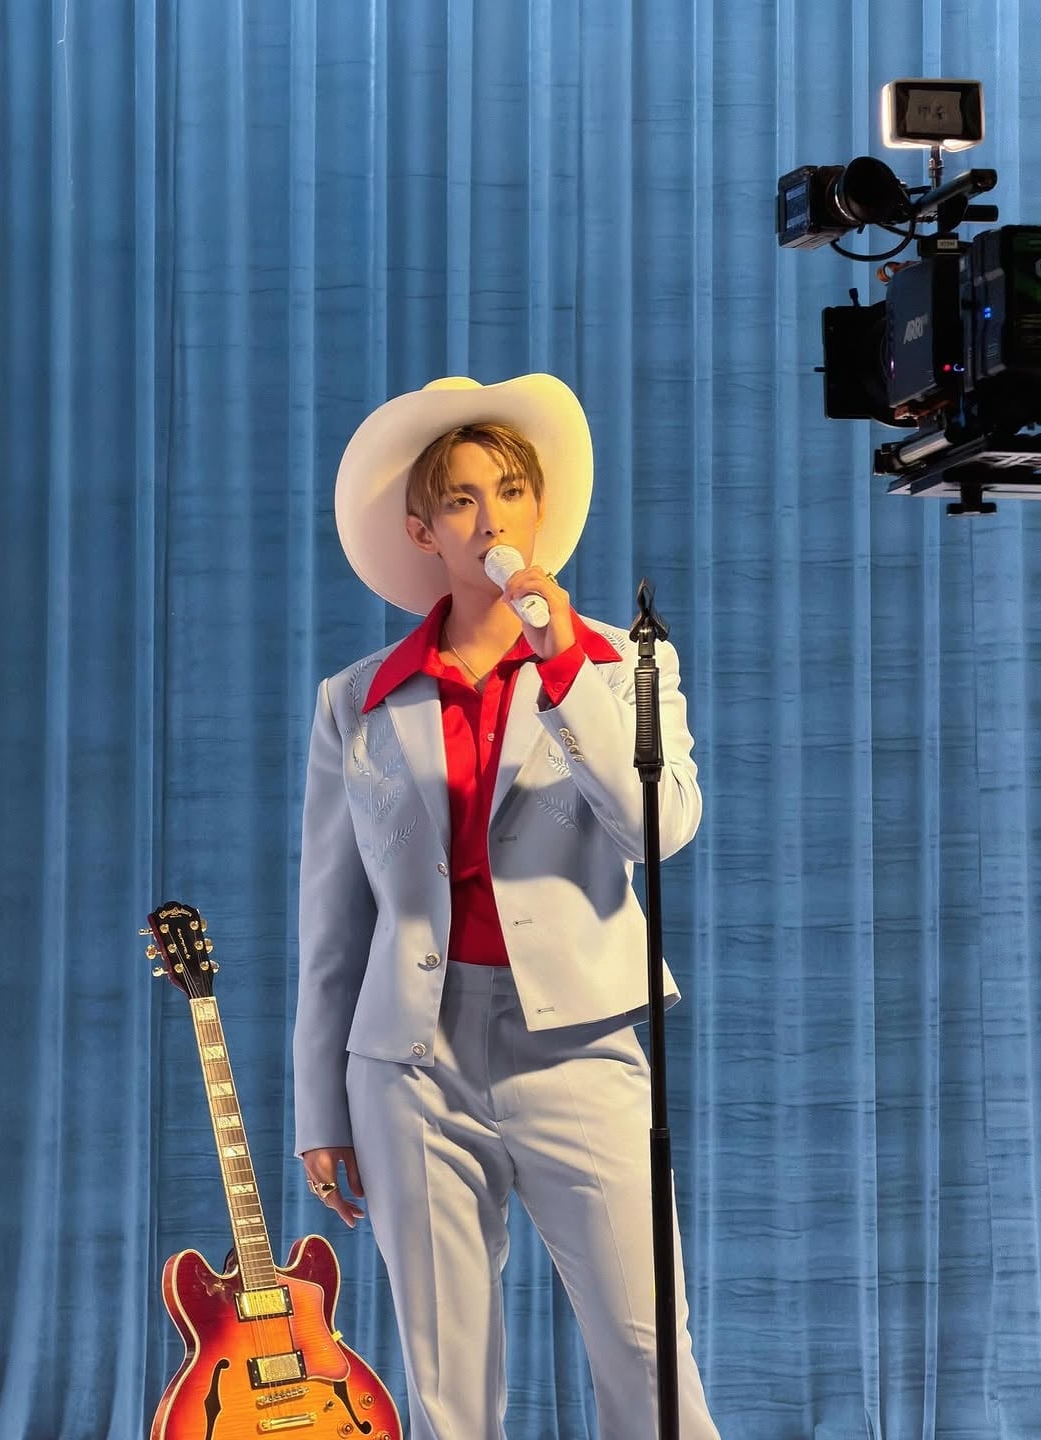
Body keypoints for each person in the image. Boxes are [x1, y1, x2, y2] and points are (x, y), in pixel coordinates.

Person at [293, 373, 719, 1439]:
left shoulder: (622, 665)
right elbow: (332, 922)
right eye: (464, 500)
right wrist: (319, 1109)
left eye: (512, 492)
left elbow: (659, 828)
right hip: (408, 1064)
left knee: (648, 1355)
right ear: (424, 531)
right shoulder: (355, 699)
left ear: (540, 510)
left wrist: (562, 663)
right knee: (451, 1382)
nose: (493, 520)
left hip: (577, 1045)